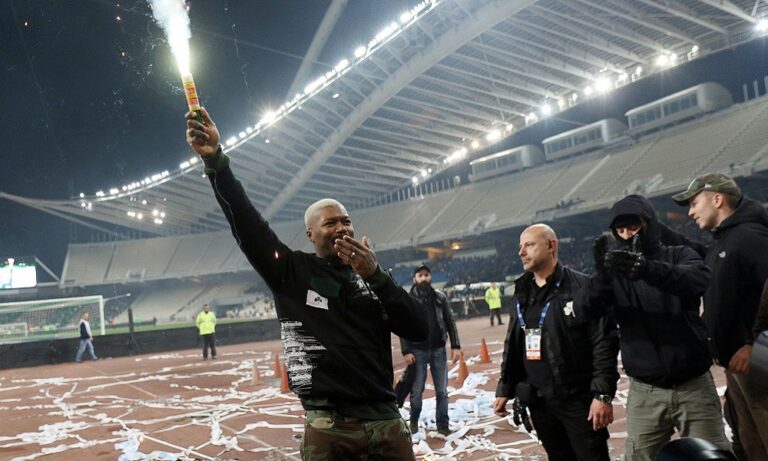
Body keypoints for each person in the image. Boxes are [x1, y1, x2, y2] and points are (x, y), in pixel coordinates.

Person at [186, 108, 428, 460]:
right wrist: (216, 162)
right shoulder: (292, 272)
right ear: (311, 234)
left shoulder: (374, 277)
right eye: (330, 223)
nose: (342, 228)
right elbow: (248, 225)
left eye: (346, 221)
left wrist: (376, 275)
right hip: (328, 425)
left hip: (385, 420)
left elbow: (419, 329)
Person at [583, 194, 730, 461]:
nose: (627, 235)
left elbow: (698, 280)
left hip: (693, 384)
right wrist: (601, 279)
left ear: (649, 224)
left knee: (712, 455)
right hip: (645, 390)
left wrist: (647, 269)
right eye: (620, 230)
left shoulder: (679, 254)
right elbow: (585, 310)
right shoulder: (614, 273)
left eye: (633, 227)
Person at [493, 224, 619, 461]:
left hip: (578, 401)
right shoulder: (522, 292)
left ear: (551, 246)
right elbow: (514, 342)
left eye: (529, 245)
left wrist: (602, 395)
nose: (521, 252)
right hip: (539, 402)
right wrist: (505, 388)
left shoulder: (583, 288)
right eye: (520, 247)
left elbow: (604, 342)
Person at [673, 173, 768, 459]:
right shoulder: (724, 240)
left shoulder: (750, 237)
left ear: (717, 199)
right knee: (750, 441)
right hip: (738, 364)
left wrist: (754, 345)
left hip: (756, 361)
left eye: (694, 203)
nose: (691, 212)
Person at [401, 264, 461, 436]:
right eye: (420, 275)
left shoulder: (440, 298)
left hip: (438, 349)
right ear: (414, 279)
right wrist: (406, 351)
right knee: (417, 391)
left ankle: (443, 424)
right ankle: (413, 420)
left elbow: (450, 322)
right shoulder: (408, 300)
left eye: (426, 275)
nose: (424, 278)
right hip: (417, 351)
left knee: (442, 391)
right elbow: (402, 326)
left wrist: (455, 346)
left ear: (430, 277)